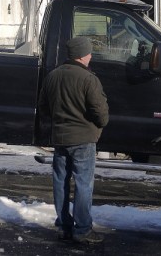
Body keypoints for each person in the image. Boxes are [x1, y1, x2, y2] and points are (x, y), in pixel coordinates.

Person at [38, 36, 109, 244]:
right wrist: (97, 124)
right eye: (89, 53)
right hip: (84, 139)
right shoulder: (89, 79)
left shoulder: (52, 76)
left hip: (60, 139)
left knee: (60, 182)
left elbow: (43, 107)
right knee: (83, 184)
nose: (91, 57)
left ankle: (63, 226)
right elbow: (101, 115)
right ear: (81, 55)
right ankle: (83, 229)